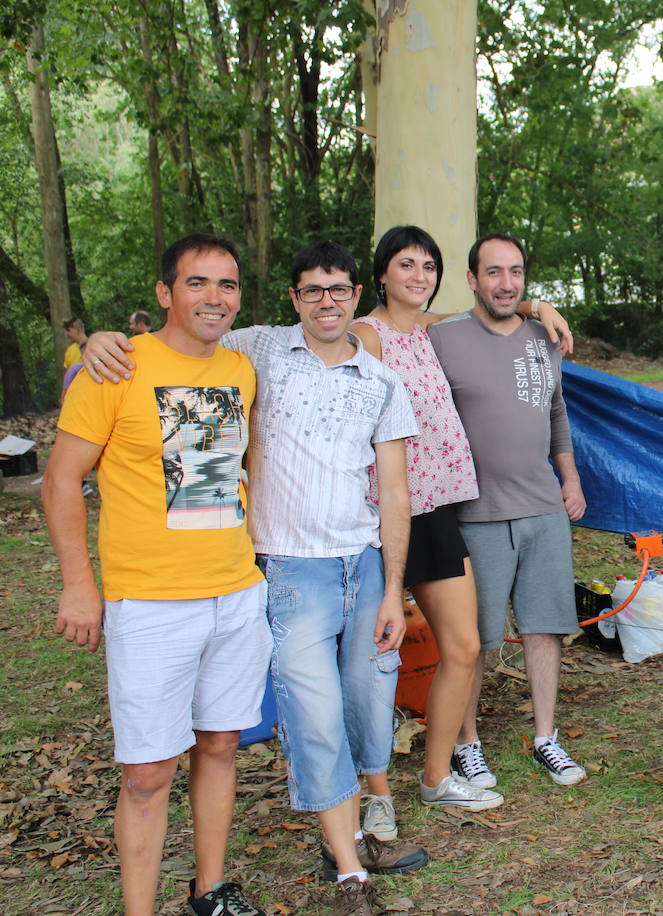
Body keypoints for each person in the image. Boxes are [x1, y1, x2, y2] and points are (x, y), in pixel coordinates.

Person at [82, 242, 431, 915]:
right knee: (316, 717)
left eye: (338, 290)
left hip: (356, 565)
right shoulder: (260, 352)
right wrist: (103, 340)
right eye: (311, 291)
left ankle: (350, 839)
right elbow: (179, 336)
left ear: (358, 297)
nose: (326, 301)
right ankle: (351, 871)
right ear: (292, 299)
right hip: (284, 569)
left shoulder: (379, 380)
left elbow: (393, 491)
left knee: (363, 707)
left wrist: (394, 586)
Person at [42, 234, 272, 916]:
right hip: (149, 601)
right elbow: (59, 482)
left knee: (223, 743)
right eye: (197, 283)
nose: (214, 297)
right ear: (165, 293)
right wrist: (80, 584)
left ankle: (211, 889)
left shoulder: (241, 370)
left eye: (227, 285)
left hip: (234, 590)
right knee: (147, 772)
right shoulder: (112, 368)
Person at [350, 226, 575, 826]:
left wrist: (536, 305)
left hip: (436, 510)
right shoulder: (364, 336)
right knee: (368, 658)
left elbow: (488, 308)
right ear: (381, 273)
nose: (419, 276)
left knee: (466, 644)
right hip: (379, 514)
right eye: (406, 265)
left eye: (429, 266)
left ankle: (436, 774)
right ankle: (373, 798)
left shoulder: (429, 331)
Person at [428, 233, 589, 790]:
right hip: (476, 513)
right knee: (474, 639)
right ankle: (466, 742)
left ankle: (546, 736)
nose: (505, 283)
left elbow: (557, 412)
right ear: (472, 280)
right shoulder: (441, 338)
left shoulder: (545, 338)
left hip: (542, 505)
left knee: (545, 628)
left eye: (515, 273)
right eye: (492, 272)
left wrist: (569, 477)